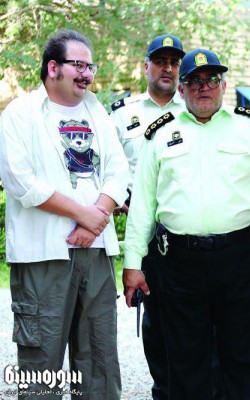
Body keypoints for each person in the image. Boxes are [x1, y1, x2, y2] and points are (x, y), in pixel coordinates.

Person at [122, 48, 250, 400]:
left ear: (223, 85)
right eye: (194, 81)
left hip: (240, 260)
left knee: (243, 359)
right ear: (181, 90)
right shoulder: (160, 133)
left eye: (211, 79)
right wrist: (133, 263)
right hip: (179, 264)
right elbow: (144, 205)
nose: (204, 87)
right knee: (185, 361)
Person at [0, 29, 129, 399]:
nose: (87, 74)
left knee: (100, 362)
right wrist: (83, 215)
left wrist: (96, 217)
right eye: (79, 65)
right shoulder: (20, 113)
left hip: (97, 252)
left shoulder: (97, 111)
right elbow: (21, 181)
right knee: (41, 365)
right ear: (53, 67)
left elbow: (119, 171)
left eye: (90, 67)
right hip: (43, 254)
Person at [111, 33, 185, 400]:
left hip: (187, 231)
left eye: (174, 62)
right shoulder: (123, 114)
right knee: (155, 320)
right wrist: (119, 198)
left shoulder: (194, 109)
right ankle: (163, 390)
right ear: (146, 66)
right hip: (148, 234)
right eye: (160, 61)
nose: (167, 68)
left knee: (196, 317)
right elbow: (108, 167)